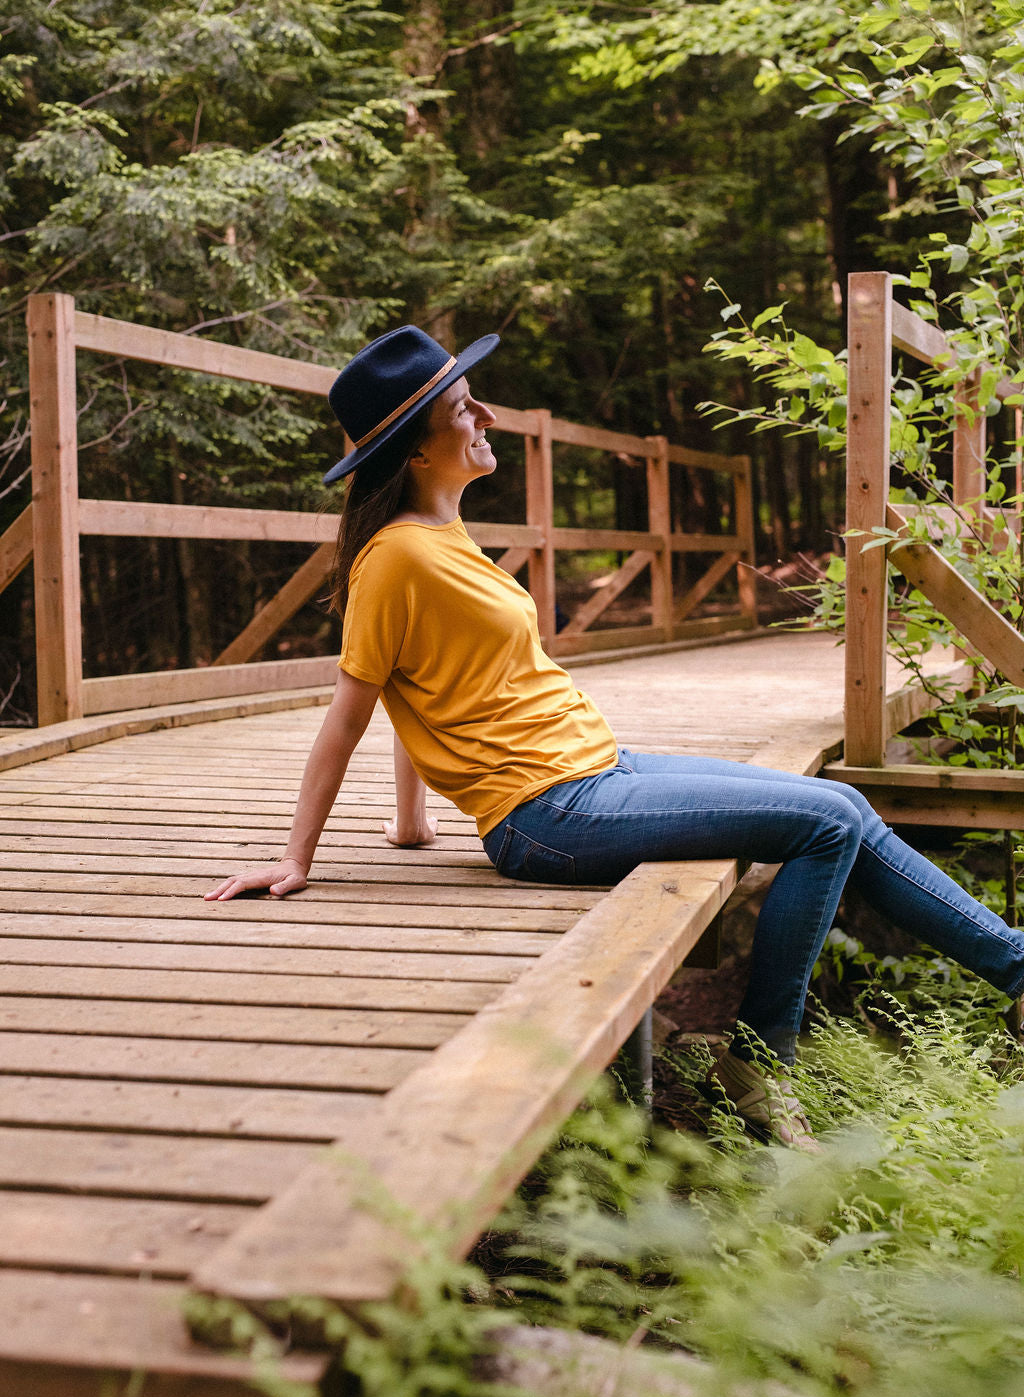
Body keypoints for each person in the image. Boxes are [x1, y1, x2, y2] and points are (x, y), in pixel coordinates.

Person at [205, 325, 1024, 1150]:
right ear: (416, 453)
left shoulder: (442, 538)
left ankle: (1014, 965)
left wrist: (415, 821)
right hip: (546, 811)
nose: (485, 413)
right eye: (462, 408)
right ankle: (759, 1060)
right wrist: (296, 857)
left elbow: (423, 681)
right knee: (825, 824)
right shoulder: (394, 559)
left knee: (841, 801)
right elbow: (353, 707)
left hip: (596, 768)